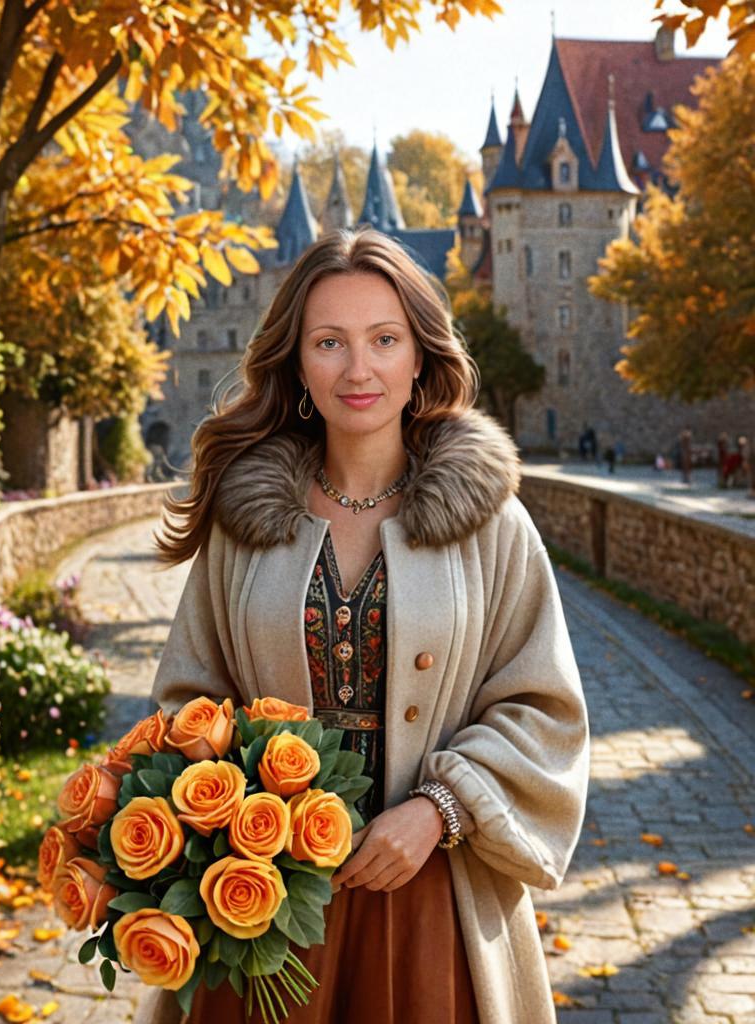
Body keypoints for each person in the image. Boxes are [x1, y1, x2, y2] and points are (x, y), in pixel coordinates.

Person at [137, 228, 590, 1024]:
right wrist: (237, 808)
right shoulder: (243, 525)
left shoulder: (493, 525)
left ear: (420, 357)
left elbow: (546, 711)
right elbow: (186, 697)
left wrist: (440, 809)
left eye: (384, 339)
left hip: (432, 909)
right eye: (329, 342)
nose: (359, 369)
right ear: (298, 364)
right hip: (259, 914)